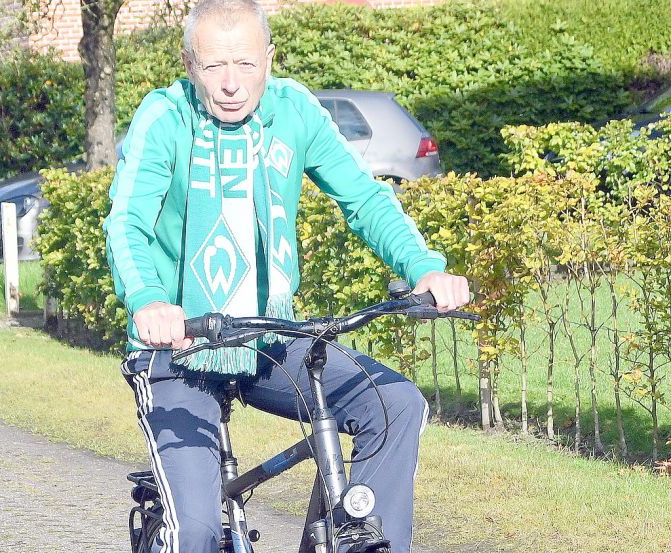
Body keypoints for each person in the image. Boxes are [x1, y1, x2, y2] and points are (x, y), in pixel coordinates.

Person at [103, 1, 470, 551]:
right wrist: (150, 301)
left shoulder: (294, 111)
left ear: (269, 61)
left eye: (245, 65)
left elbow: (365, 198)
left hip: (270, 336)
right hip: (176, 348)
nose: (231, 83)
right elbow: (127, 221)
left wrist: (425, 267)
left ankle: (361, 542)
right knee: (198, 532)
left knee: (395, 404)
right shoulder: (166, 117)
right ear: (188, 63)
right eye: (214, 66)